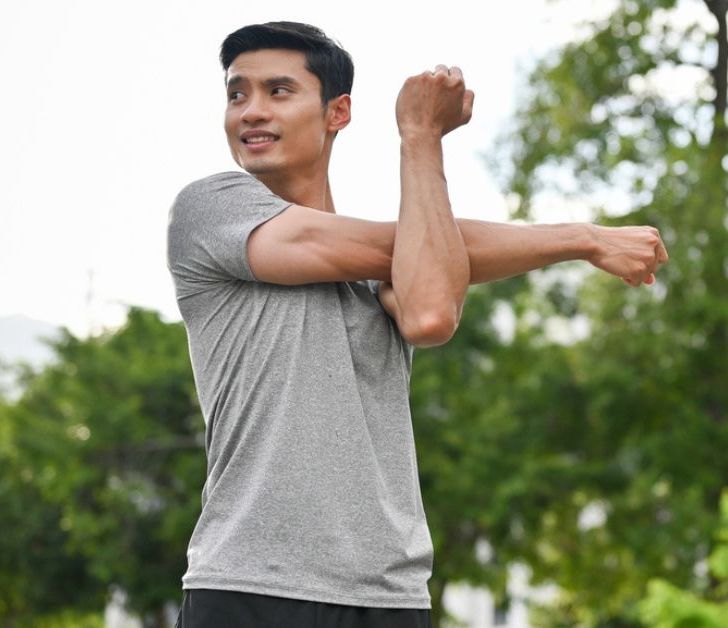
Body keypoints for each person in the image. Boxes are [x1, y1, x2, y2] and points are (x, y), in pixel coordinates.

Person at [166, 20, 667, 628]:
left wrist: (582, 239)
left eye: (278, 90)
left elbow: (430, 313)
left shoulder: (388, 268)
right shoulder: (210, 209)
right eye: (236, 93)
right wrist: (422, 136)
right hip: (251, 585)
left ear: (337, 112)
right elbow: (400, 247)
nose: (250, 111)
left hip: (390, 593)